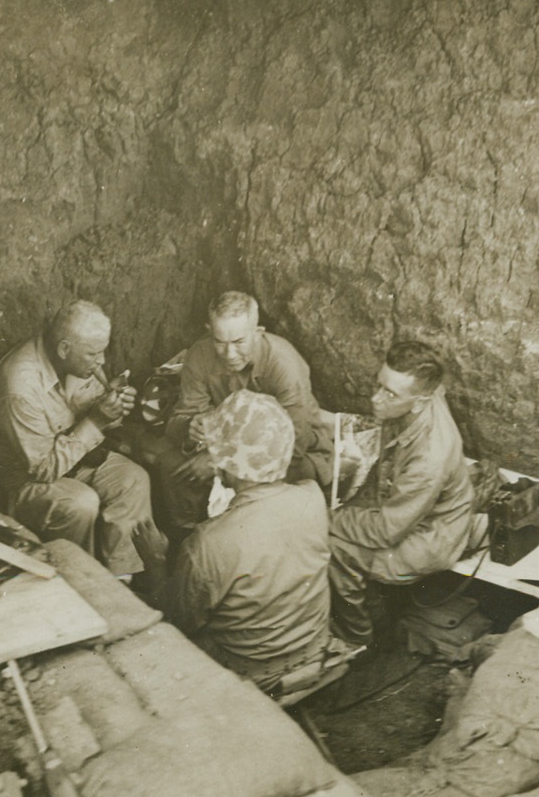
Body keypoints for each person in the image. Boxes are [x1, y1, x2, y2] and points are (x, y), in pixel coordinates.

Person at [134, 389, 338, 690]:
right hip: (313, 648)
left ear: (229, 460)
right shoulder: (312, 497)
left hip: (252, 672)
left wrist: (156, 563)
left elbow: (176, 619)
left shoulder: (209, 543)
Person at [0, 299, 151, 577]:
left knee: (133, 479)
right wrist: (97, 419)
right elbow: (43, 469)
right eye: (93, 354)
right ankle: (78, 579)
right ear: (64, 349)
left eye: (103, 352)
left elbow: (93, 418)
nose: (101, 361)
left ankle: (120, 582)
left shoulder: (76, 360)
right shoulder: (20, 386)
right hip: (23, 480)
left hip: (72, 458)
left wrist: (114, 405)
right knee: (80, 503)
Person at [328, 341, 476, 648]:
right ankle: (374, 604)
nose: (374, 397)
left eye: (389, 394)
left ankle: (360, 640)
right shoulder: (425, 393)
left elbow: (385, 531)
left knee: (334, 549)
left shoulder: (430, 459)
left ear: (421, 401)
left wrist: (326, 518)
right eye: (379, 384)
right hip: (402, 504)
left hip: (430, 535)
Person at [153, 291, 331, 536]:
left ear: (258, 333)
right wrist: (189, 427)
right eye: (219, 341)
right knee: (172, 467)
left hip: (286, 454)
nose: (229, 354)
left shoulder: (284, 362)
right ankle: (190, 539)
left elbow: (296, 442)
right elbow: (177, 421)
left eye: (238, 342)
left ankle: (245, 541)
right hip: (223, 447)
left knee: (270, 489)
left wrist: (221, 461)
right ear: (209, 330)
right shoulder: (199, 355)